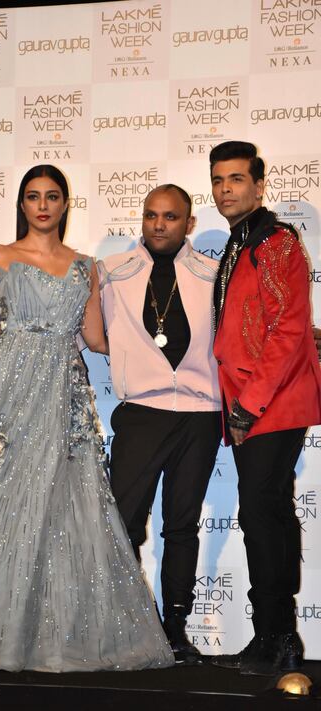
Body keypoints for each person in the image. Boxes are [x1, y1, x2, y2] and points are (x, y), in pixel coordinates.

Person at [0, 164, 174, 673]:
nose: (42, 204)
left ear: (65, 204)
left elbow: (97, 339)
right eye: (33, 196)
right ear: (22, 204)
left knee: (59, 505)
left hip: (62, 394)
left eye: (52, 196)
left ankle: (38, 632)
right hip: (8, 388)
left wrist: (160, 343)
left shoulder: (86, 267)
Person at [208, 141, 321, 676]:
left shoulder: (276, 242)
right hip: (253, 402)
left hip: (271, 402)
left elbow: (290, 329)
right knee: (266, 513)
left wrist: (249, 406)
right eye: (218, 180)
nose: (225, 189)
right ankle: (274, 636)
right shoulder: (242, 242)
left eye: (235, 179)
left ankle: (279, 639)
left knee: (262, 514)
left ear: (259, 185)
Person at [97, 184, 223, 664]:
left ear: (188, 224)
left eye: (170, 217)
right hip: (142, 413)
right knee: (123, 524)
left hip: (199, 414)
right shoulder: (110, 274)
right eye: (151, 215)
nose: (159, 224)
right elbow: (90, 332)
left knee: (182, 528)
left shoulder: (214, 277)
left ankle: (175, 628)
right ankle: (128, 624)